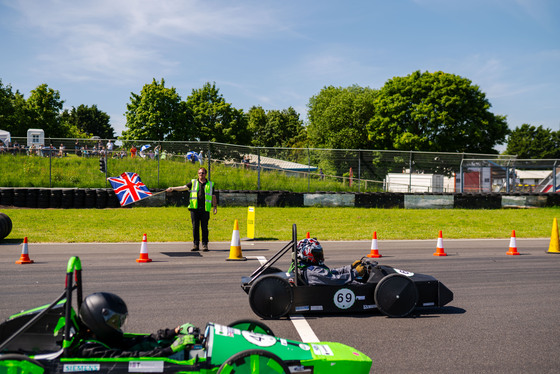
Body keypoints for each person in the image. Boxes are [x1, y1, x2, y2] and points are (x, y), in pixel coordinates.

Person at [75, 292, 200, 358]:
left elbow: (136, 342)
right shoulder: (90, 351)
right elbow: (128, 357)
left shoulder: (102, 337)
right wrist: (168, 350)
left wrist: (174, 332)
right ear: (98, 321)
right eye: (115, 322)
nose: (119, 325)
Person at [166, 167, 217, 252]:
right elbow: (183, 187)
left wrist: (215, 207)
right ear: (198, 174)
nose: (201, 174)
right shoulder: (193, 182)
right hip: (194, 209)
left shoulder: (210, 184)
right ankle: (196, 245)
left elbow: (213, 196)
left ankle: (205, 245)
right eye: (200, 173)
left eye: (203, 173)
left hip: (205, 209)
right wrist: (173, 188)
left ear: (206, 174)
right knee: (195, 227)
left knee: (204, 228)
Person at [294, 238, 368, 285]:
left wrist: (350, 267)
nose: (320, 256)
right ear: (306, 254)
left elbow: (330, 272)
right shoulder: (312, 271)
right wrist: (355, 273)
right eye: (316, 254)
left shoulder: (307, 267)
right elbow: (334, 279)